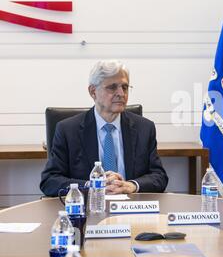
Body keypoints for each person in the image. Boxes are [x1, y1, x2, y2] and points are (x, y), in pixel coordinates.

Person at [40, 60, 168, 196]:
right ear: (93, 91)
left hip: (131, 207)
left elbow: (159, 177)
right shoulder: (68, 130)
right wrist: (92, 186)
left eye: (124, 87)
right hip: (89, 208)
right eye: (112, 87)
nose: (121, 93)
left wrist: (132, 185)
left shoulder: (144, 128)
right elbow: (50, 180)